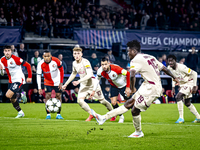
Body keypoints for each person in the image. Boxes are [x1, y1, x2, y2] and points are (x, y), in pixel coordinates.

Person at [91, 40, 179, 138]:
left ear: (134, 51)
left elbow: (132, 74)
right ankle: (104, 118)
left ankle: (138, 132)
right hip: (147, 85)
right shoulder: (150, 57)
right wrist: (174, 77)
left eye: (129, 51)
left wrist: (131, 88)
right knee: (128, 103)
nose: (128, 53)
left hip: (152, 89)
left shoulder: (136, 60)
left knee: (134, 110)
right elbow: (165, 69)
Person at [62, 45, 113, 121]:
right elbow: (73, 73)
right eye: (75, 53)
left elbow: (89, 75)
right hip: (84, 85)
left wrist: (78, 81)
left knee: (103, 101)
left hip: (92, 84)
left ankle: (113, 113)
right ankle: (92, 114)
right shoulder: (74, 63)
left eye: (78, 53)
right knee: (79, 101)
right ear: (73, 54)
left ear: (81, 54)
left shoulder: (85, 62)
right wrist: (66, 84)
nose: (77, 55)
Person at [89, 57, 131, 123]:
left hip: (123, 86)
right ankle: (121, 116)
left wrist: (128, 87)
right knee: (113, 103)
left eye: (105, 64)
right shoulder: (100, 71)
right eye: (102, 64)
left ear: (109, 63)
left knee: (130, 102)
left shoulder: (116, 68)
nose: (104, 66)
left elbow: (128, 73)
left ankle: (136, 114)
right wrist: (93, 90)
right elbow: (97, 80)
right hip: (114, 86)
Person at [0, 45, 32, 118]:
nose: (7, 52)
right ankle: (20, 112)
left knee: (8, 95)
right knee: (12, 98)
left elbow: (28, 65)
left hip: (18, 79)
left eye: (8, 51)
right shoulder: (1, 60)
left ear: (11, 51)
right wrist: (1, 69)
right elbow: (2, 73)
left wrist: (29, 77)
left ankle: (21, 94)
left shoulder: (16, 59)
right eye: (6, 51)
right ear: (3, 52)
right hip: (11, 80)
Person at [167, 54, 200, 123]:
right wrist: (173, 87)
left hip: (189, 82)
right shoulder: (169, 68)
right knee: (187, 102)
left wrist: (194, 85)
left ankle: (181, 118)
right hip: (183, 84)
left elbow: (194, 73)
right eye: (169, 61)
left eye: (171, 61)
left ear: (175, 61)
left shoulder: (181, 67)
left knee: (178, 96)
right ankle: (198, 117)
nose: (170, 63)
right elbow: (173, 77)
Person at [37, 50, 64, 119]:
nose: (46, 58)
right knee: (47, 96)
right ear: (43, 57)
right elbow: (38, 76)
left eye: (48, 56)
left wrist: (61, 82)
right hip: (47, 82)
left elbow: (61, 71)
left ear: (50, 56)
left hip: (57, 81)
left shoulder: (56, 61)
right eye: (45, 56)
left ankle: (58, 114)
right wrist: (39, 87)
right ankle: (48, 114)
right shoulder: (40, 64)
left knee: (58, 96)